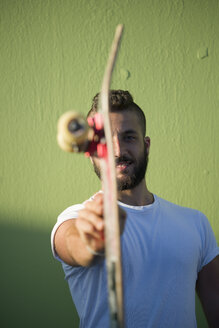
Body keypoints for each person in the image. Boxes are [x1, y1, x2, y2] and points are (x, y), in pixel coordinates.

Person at [51, 90, 219, 328]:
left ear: (146, 145)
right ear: (89, 153)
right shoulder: (76, 218)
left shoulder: (196, 223)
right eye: (106, 141)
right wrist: (91, 243)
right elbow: (74, 244)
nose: (118, 151)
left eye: (129, 137)